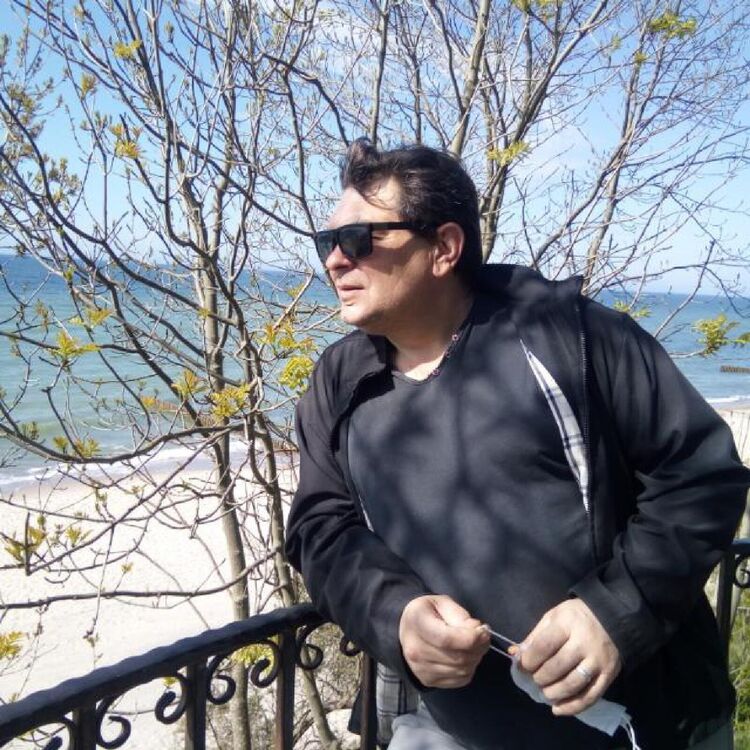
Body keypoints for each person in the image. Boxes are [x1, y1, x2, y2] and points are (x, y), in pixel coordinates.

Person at [285, 138, 750, 750]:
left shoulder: (571, 337)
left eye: (358, 239)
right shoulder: (339, 382)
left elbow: (700, 474)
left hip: (643, 725)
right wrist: (394, 616)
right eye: (328, 241)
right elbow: (321, 527)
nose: (335, 261)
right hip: (443, 731)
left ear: (444, 248)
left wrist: (616, 612)